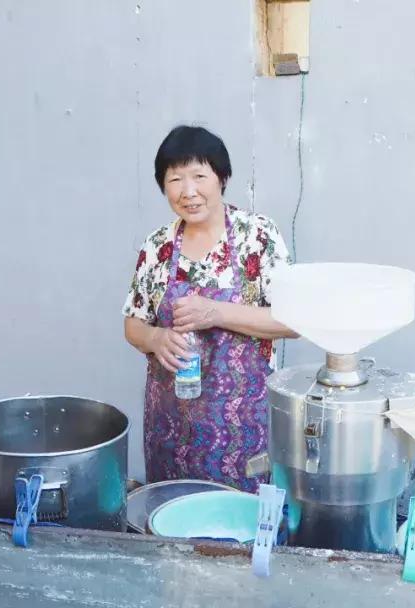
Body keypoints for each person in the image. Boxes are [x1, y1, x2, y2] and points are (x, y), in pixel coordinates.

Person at [123, 125, 297, 491]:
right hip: (170, 429)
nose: (188, 191)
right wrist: (155, 338)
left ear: (222, 178)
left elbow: (293, 320)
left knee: (239, 518)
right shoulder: (157, 247)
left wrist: (216, 313)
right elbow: (133, 324)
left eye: (199, 176)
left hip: (244, 429)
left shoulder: (257, 236)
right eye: (175, 180)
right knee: (171, 513)